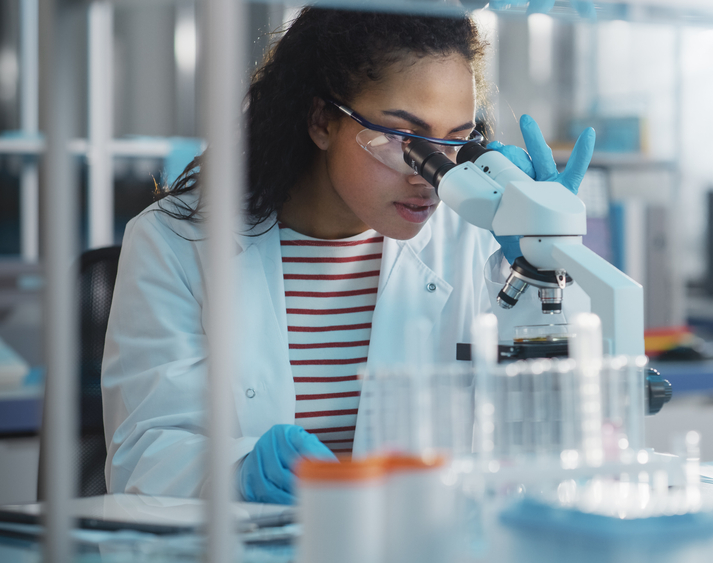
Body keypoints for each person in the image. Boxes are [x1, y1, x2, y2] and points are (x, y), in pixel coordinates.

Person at [102, 7, 595, 505]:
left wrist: (541, 265)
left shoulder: (474, 239)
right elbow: (144, 453)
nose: (431, 175)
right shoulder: (175, 243)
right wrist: (239, 473)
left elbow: (557, 431)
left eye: (454, 144)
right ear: (322, 121)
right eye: (406, 142)